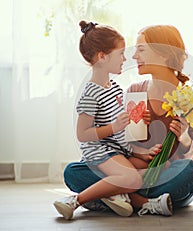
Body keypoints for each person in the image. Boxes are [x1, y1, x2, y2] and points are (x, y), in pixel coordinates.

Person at [62, 24, 193, 217]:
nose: (134, 56)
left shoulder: (191, 97)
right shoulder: (134, 92)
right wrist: (137, 140)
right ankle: (145, 202)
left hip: (167, 177)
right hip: (134, 168)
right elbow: (122, 144)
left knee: (189, 171)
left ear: (163, 53)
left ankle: (113, 195)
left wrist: (185, 138)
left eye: (141, 49)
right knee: (73, 171)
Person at [53, 21, 171, 220]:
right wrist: (114, 127)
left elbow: (120, 126)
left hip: (117, 149)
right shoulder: (91, 93)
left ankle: (114, 192)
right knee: (132, 178)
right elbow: (82, 135)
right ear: (102, 56)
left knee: (160, 167)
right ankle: (75, 201)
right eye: (121, 54)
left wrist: (138, 124)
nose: (125, 58)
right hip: (101, 151)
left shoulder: (115, 88)